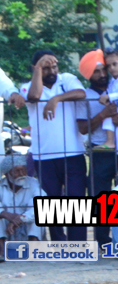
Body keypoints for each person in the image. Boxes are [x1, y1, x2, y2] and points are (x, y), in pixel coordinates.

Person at [20, 50, 88, 242]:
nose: (51, 71)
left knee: (76, 202)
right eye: (45, 67)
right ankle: (59, 243)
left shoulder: (67, 79)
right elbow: (34, 96)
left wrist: (55, 99)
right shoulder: (27, 86)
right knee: (51, 204)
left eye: (54, 66)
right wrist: (38, 69)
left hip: (73, 152)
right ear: (36, 68)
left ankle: (78, 245)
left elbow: (81, 93)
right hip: (44, 155)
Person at [77, 51, 118, 245]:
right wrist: (103, 115)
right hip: (100, 149)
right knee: (102, 198)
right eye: (96, 72)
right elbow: (82, 128)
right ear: (88, 75)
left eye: (103, 69)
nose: (102, 74)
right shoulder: (85, 96)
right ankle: (103, 241)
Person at [0, 154, 45, 253]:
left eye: (24, 170)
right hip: (7, 231)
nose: (21, 174)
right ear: (7, 174)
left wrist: (20, 218)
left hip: (27, 227)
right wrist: (6, 214)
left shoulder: (33, 183)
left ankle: (33, 251)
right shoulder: (1, 186)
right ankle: (2, 252)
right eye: (16, 171)